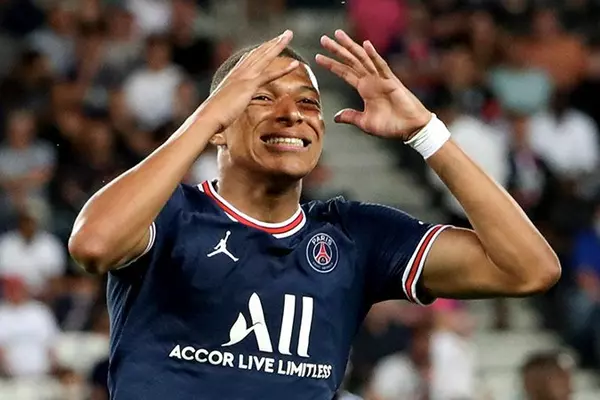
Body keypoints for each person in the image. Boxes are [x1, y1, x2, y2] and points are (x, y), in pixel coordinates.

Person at [68, 29, 560, 399]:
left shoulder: (353, 236)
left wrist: (425, 132)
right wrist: (206, 116)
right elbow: (93, 244)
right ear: (219, 124)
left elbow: (530, 269)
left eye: (308, 103)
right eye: (263, 97)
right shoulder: (171, 214)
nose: (291, 113)